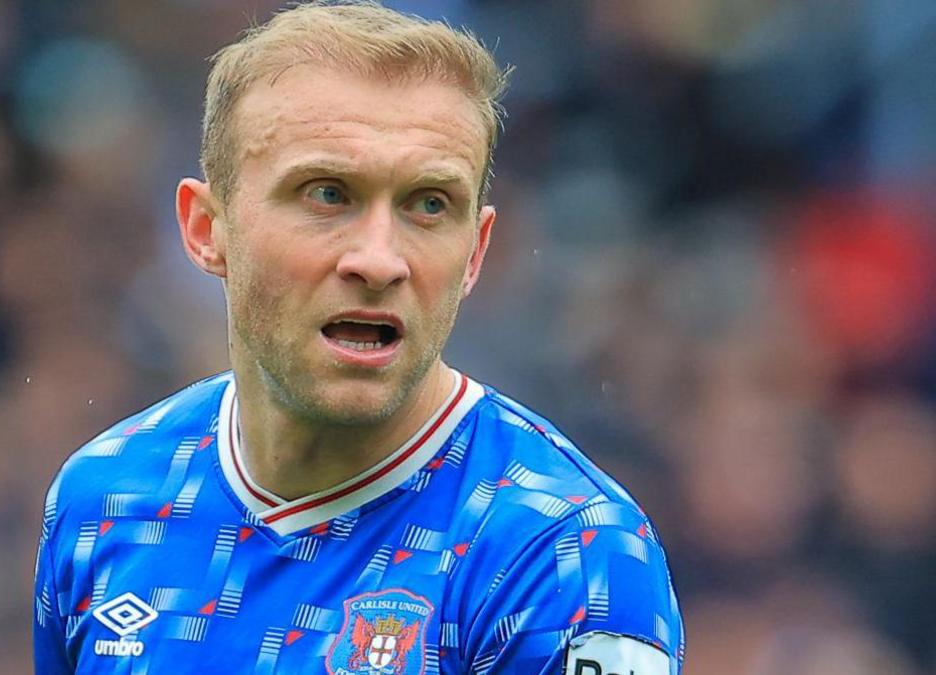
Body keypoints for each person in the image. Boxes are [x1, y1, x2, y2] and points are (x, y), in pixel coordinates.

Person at [33, 2, 685, 673]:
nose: (379, 258)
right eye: (327, 193)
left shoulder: (563, 552)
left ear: (474, 253)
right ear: (207, 228)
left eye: (430, 203)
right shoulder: (105, 498)